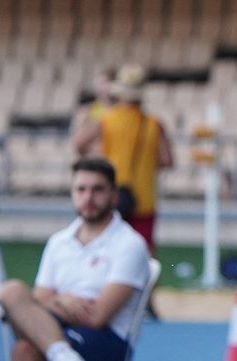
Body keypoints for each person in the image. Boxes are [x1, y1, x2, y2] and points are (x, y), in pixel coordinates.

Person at [0, 158, 150, 361]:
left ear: (114, 195)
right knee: (11, 294)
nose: (88, 197)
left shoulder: (130, 244)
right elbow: (36, 303)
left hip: (108, 342)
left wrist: (52, 304)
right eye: (81, 189)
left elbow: (97, 316)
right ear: (72, 193)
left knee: (26, 344)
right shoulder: (59, 242)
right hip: (62, 334)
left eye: (97, 189)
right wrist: (63, 303)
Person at [73, 63, 173, 253]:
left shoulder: (107, 119)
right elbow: (167, 160)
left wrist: (99, 157)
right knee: (144, 253)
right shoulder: (154, 124)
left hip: (110, 195)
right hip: (144, 198)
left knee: (107, 250)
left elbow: (79, 144)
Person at [71, 66, 117, 157]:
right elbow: (78, 143)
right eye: (99, 83)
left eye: (105, 83)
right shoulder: (87, 111)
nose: (100, 87)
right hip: (95, 159)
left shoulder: (122, 111)